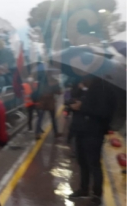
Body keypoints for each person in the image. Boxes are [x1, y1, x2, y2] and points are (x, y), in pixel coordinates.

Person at [68, 77, 117, 205]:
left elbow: (103, 112)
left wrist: (82, 107)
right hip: (81, 129)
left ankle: (97, 194)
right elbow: (81, 100)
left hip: (94, 132)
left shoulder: (105, 88)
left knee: (94, 164)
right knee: (82, 161)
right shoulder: (88, 86)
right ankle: (83, 189)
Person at [32, 70, 61, 140]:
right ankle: (56, 132)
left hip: (41, 101)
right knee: (53, 118)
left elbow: (37, 91)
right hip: (50, 101)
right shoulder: (54, 81)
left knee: (40, 118)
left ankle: (37, 133)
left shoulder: (41, 81)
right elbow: (59, 92)